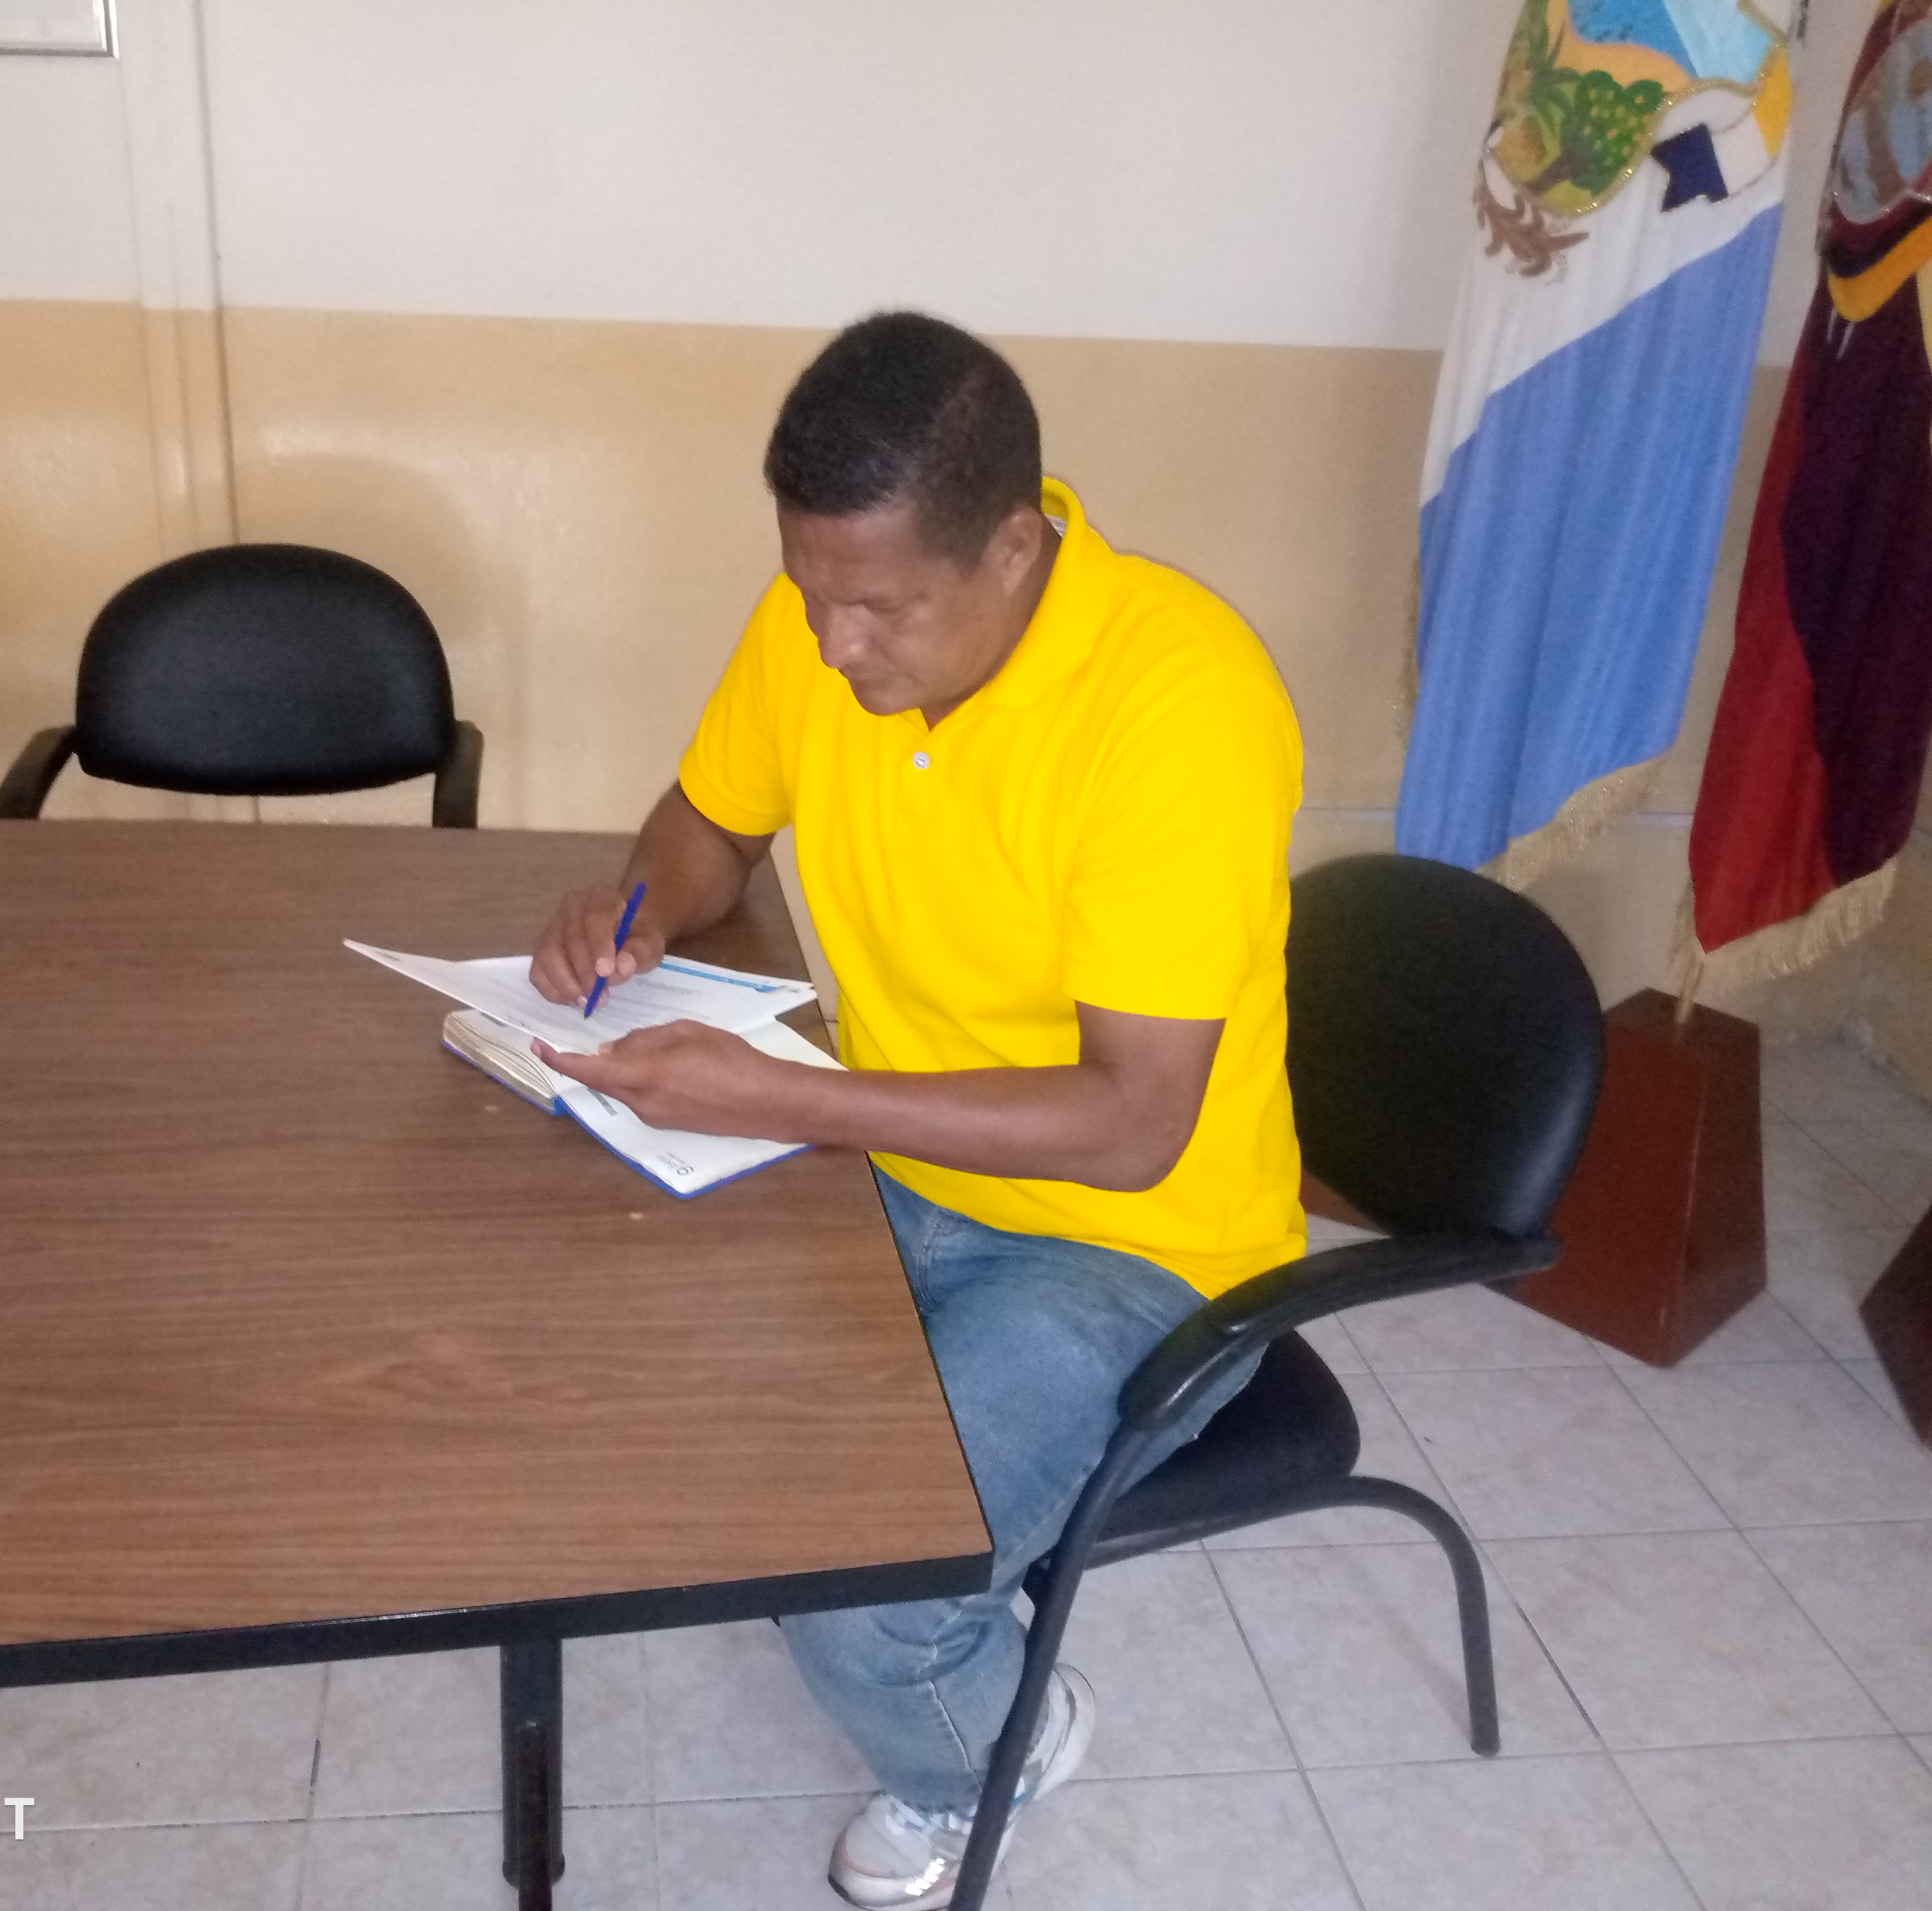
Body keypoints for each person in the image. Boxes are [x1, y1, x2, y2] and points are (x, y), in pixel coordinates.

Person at [528, 311, 1304, 1908]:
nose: (833, 645)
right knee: (609, 1353)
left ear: (1013, 549)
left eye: (880, 609)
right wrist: (638, 913)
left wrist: (790, 1100)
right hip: (893, 1167)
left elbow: (1134, 1124)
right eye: (812, 594)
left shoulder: (1179, 707)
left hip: (1140, 1252)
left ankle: (994, 1750)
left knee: (860, 1592)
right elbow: (708, 823)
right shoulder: (827, 610)